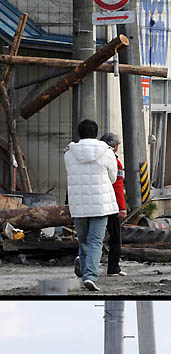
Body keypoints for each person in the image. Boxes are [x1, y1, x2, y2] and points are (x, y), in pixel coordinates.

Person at [64, 119, 118, 292]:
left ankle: (86, 271)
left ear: (79, 133)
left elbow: (71, 174)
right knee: (96, 241)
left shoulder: (69, 153)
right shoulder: (107, 153)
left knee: (83, 241)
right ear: (96, 133)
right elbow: (113, 177)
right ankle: (90, 276)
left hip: (79, 204)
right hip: (101, 204)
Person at [100, 131, 127, 276]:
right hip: (111, 205)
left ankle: (86, 265)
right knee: (115, 237)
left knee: (94, 236)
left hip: (95, 204)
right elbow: (118, 187)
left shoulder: (95, 160)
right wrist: (122, 208)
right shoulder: (115, 163)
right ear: (115, 147)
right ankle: (113, 267)